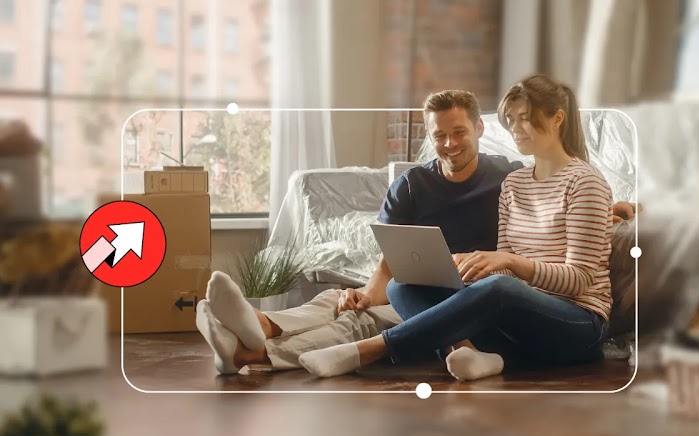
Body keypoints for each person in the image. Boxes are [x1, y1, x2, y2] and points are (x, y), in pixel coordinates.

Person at [196, 84, 637, 376]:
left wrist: (610, 206)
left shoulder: (511, 174)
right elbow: (391, 261)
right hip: (463, 294)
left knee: (371, 320)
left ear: (479, 129)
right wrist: (368, 292)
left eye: (459, 132)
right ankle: (259, 327)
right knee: (368, 298)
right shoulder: (441, 184)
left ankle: (317, 349)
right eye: (440, 136)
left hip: (532, 307)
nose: (450, 144)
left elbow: (567, 216)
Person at [298, 74, 615, 380]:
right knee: (401, 287)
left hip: (577, 326)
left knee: (499, 288)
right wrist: (467, 269)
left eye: (525, 118)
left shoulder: (584, 182)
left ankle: (370, 350)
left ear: (557, 119)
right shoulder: (514, 183)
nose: (515, 129)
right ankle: (474, 353)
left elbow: (579, 280)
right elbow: (506, 272)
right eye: (511, 120)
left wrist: (508, 263)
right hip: (521, 324)